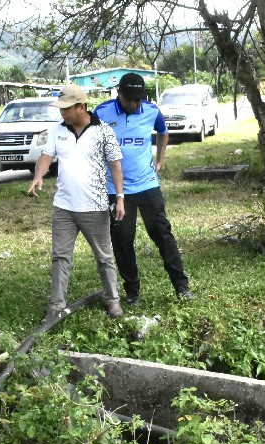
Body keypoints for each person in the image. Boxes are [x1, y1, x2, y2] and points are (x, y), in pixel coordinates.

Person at [27, 83, 126, 321]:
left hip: (94, 206)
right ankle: (56, 306)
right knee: (60, 257)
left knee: (104, 257)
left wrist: (120, 198)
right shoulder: (57, 131)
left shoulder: (104, 132)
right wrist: (38, 176)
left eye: (66, 109)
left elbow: (115, 166)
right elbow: (46, 155)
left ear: (81, 107)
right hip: (64, 207)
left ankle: (112, 300)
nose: (62, 113)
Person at [94, 73, 194, 305]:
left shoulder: (151, 111)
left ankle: (181, 287)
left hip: (148, 186)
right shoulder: (102, 112)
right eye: (131, 100)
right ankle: (133, 292)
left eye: (139, 99)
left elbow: (163, 132)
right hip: (116, 190)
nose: (135, 104)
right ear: (119, 94)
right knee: (123, 241)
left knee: (163, 235)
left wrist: (160, 160)